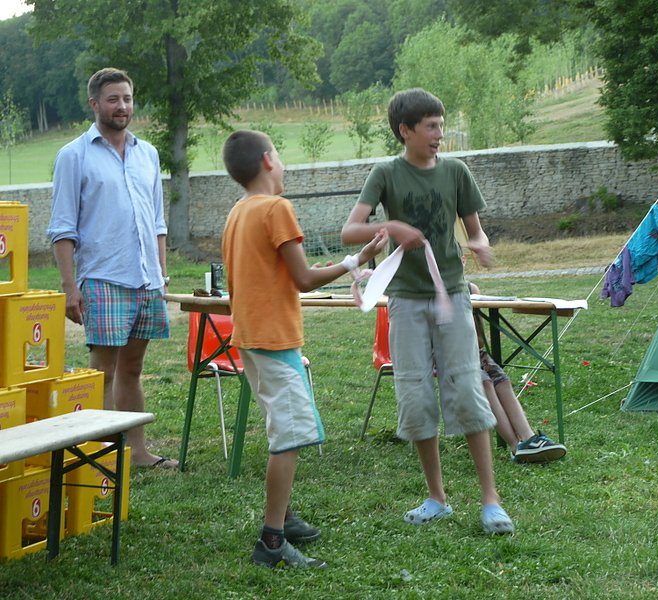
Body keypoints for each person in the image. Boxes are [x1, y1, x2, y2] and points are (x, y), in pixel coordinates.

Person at [341, 88, 514, 535]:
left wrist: (479, 245)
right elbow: (349, 231)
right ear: (406, 131)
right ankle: (437, 498)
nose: (439, 134)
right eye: (431, 126)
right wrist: (390, 225)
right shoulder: (386, 173)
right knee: (415, 396)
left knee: (468, 389)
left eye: (441, 125)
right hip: (405, 300)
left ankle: (490, 500)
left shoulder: (456, 172)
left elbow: (476, 231)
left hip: (451, 296)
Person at [221, 129, 387, 569]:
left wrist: (347, 262)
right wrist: (353, 262)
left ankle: (285, 516)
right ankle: (272, 541)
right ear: (267, 161)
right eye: (280, 153)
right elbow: (303, 280)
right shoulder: (277, 208)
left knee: (284, 428)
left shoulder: (238, 212)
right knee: (289, 438)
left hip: (250, 338)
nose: (284, 162)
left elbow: (267, 275)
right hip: (275, 339)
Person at [47, 67, 175, 469]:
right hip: (102, 278)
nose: (122, 106)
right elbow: (62, 228)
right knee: (102, 372)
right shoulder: (74, 155)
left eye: (128, 98)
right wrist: (71, 287)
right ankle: (100, 457)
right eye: (113, 99)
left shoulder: (147, 153)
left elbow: (157, 221)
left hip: (145, 279)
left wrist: (161, 273)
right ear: (95, 104)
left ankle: (136, 453)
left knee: (133, 369)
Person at [468, 281, 567, 464]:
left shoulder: (470, 289)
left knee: (501, 380)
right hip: (447, 357)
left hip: (474, 352)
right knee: (485, 383)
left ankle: (528, 437)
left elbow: (479, 337)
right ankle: (515, 446)